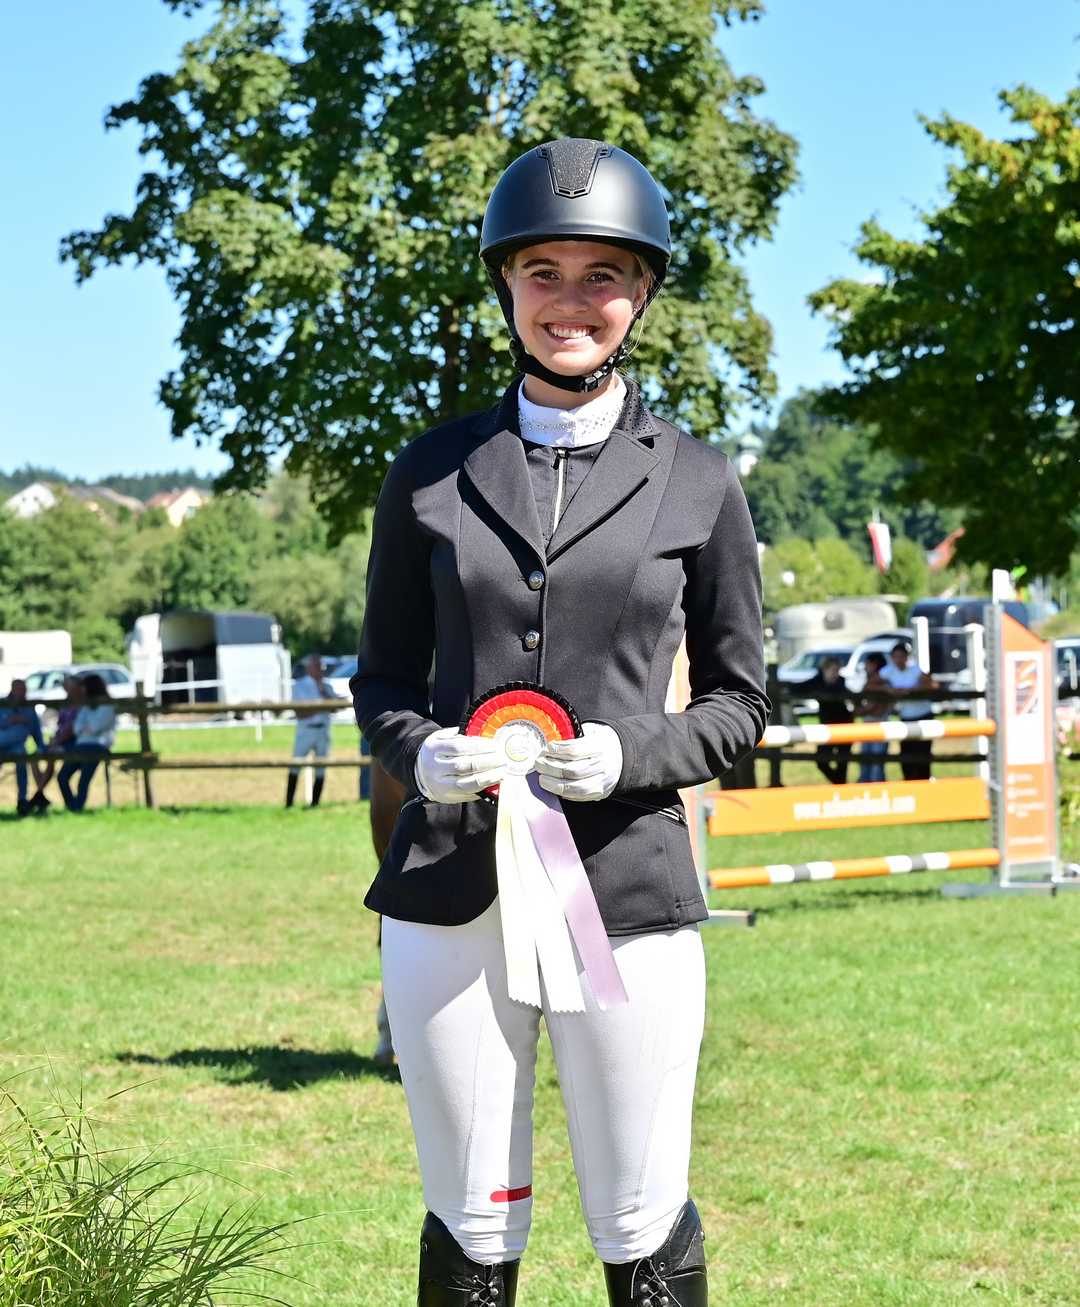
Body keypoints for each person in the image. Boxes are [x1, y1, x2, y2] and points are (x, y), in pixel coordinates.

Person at [352, 139, 768, 1306]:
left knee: (639, 1216)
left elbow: (742, 699)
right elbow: (380, 679)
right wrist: (420, 752)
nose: (571, 301)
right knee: (472, 1216)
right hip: (451, 889)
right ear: (507, 284)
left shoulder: (699, 479)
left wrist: (634, 751)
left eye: (602, 276)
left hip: (625, 889)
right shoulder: (430, 471)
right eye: (544, 272)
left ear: (642, 294)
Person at [286, 653, 344, 808]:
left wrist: (322, 694)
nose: (321, 669)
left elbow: (335, 707)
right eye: (317, 666)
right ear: (309, 668)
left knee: (321, 768)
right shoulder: (299, 686)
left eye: (322, 666)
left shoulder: (327, 687)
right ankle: (289, 803)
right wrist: (322, 707)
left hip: (323, 731)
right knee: (295, 765)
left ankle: (315, 804)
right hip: (306, 731)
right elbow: (300, 712)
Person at [879, 641, 939, 780]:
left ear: (907, 657)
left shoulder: (915, 670)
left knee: (923, 754)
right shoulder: (888, 672)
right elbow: (871, 684)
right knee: (906, 755)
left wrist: (911, 690)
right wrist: (887, 689)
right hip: (906, 717)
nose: (899, 660)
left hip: (923, 715)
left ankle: (924, 781)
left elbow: (933, 685)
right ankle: (909, 783)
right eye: (896, 657)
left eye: (901, 656)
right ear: (892, 658)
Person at [57, 673, 116, 812]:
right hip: (81, 745)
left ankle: (77, 808)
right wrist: (86, 728)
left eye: (84, 687)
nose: (81, 690)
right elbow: (77, 728)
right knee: (62, 777)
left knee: (83, 780)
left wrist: (86, 727)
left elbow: (95, 727)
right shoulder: (86, 706)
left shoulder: (106, 706)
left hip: (98, 747)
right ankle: (72, 807)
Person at [27, 674, 85, 813]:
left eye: (70, 686)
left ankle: (38, 796)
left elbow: (72, 729)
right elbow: (61, 726)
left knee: (52, 758)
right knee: (34, 757)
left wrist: (57, 741)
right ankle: (40, 794)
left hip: (72, 743)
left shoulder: (81, 705)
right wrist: (55, 740)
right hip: (59, 741)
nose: (67, 689)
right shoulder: (65, 704)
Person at [0, 679, 47, 816]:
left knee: (22, 757)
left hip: (17, 747)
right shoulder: (2, 704)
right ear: (13, 690)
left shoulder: (29, 709)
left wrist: (42, 747)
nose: (23, 693)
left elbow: (36, 731)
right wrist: (9, 721)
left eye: (25, 690)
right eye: (21, 690)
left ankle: (22, 800)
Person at [806, 656, 853, 784]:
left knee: (842, 763)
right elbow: (801, 687)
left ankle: (840, 786)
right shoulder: (817, 681)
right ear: (824, 670)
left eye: (837, 670)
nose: (836, 674)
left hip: (844, 726)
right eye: (833, 670)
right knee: (821, 760)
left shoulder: (840, 683)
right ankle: (839, 784)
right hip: (827, 727)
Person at [856, 651, 890, 782]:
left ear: (874, 665)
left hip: (879, 726)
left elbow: (877, 710)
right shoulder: (871, 683)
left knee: (876, 765)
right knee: (866, 762)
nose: (865, 667)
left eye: (867, 664)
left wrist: (863, 710)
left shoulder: (881, 683)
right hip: (868, 725)